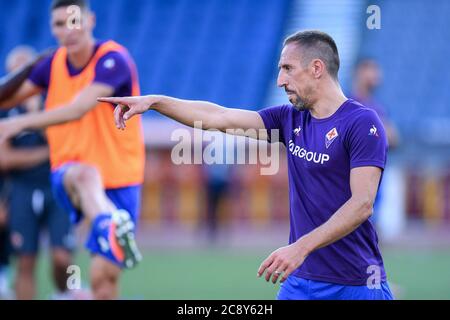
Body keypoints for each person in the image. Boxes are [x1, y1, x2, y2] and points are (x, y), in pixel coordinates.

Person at [99, 30, 394, 300]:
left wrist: (300, 248)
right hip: (302, 281)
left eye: (287, 68)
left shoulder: (362, 123)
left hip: (356, 284)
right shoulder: (289, 119)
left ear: (316, 68)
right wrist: (155, 102)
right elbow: (219, 117)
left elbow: (362, 204)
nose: (280, 80)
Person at [0, 0, 145, 300]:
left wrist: (18, 124)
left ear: (91, 20)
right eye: (59, 24)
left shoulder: (113, 60)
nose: (68, 30)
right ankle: (108, 224)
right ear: (52, 30)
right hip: (70, 172)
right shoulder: (49, 66)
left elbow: (78, 109)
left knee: (103, 281)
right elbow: (6, 99)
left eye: (74, 21)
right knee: (83, 173)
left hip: (121, 178)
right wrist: (27, 68)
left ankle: (108, 228)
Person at [0, 45, 76, 300]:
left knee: (62, 257)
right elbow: (5, 159)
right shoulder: (4, 109)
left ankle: (63, 293)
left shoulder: (55, 102)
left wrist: (35, 115)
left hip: (56, 187)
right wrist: (45, 154)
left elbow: (69, 142)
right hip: (21, 190)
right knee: (25, 261)